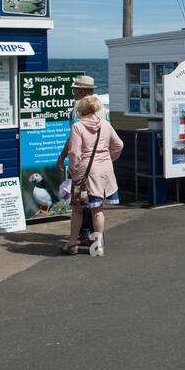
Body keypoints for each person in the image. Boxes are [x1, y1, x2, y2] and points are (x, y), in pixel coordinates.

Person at [63, 95, 123, 256]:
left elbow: (75, 152)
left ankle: (73, 244)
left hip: (84, 172)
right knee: (98, 210)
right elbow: (119, 144)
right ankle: (98, 245)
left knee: (78, 209)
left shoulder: (77, 127)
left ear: (81, 110)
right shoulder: (105, 124)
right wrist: (109, 158)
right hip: (104, 171)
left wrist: (73, 169)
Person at [57, 75, 101, 246]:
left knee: (80, 202)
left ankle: (82, 234)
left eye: (75, 88)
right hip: (99, 162)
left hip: (82, 162)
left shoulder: (79, 110)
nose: (73, 91)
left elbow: (74, 138)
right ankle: (95, 236)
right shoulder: (102, 108)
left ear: (81, 90)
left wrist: (62, 158)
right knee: (96, 201)